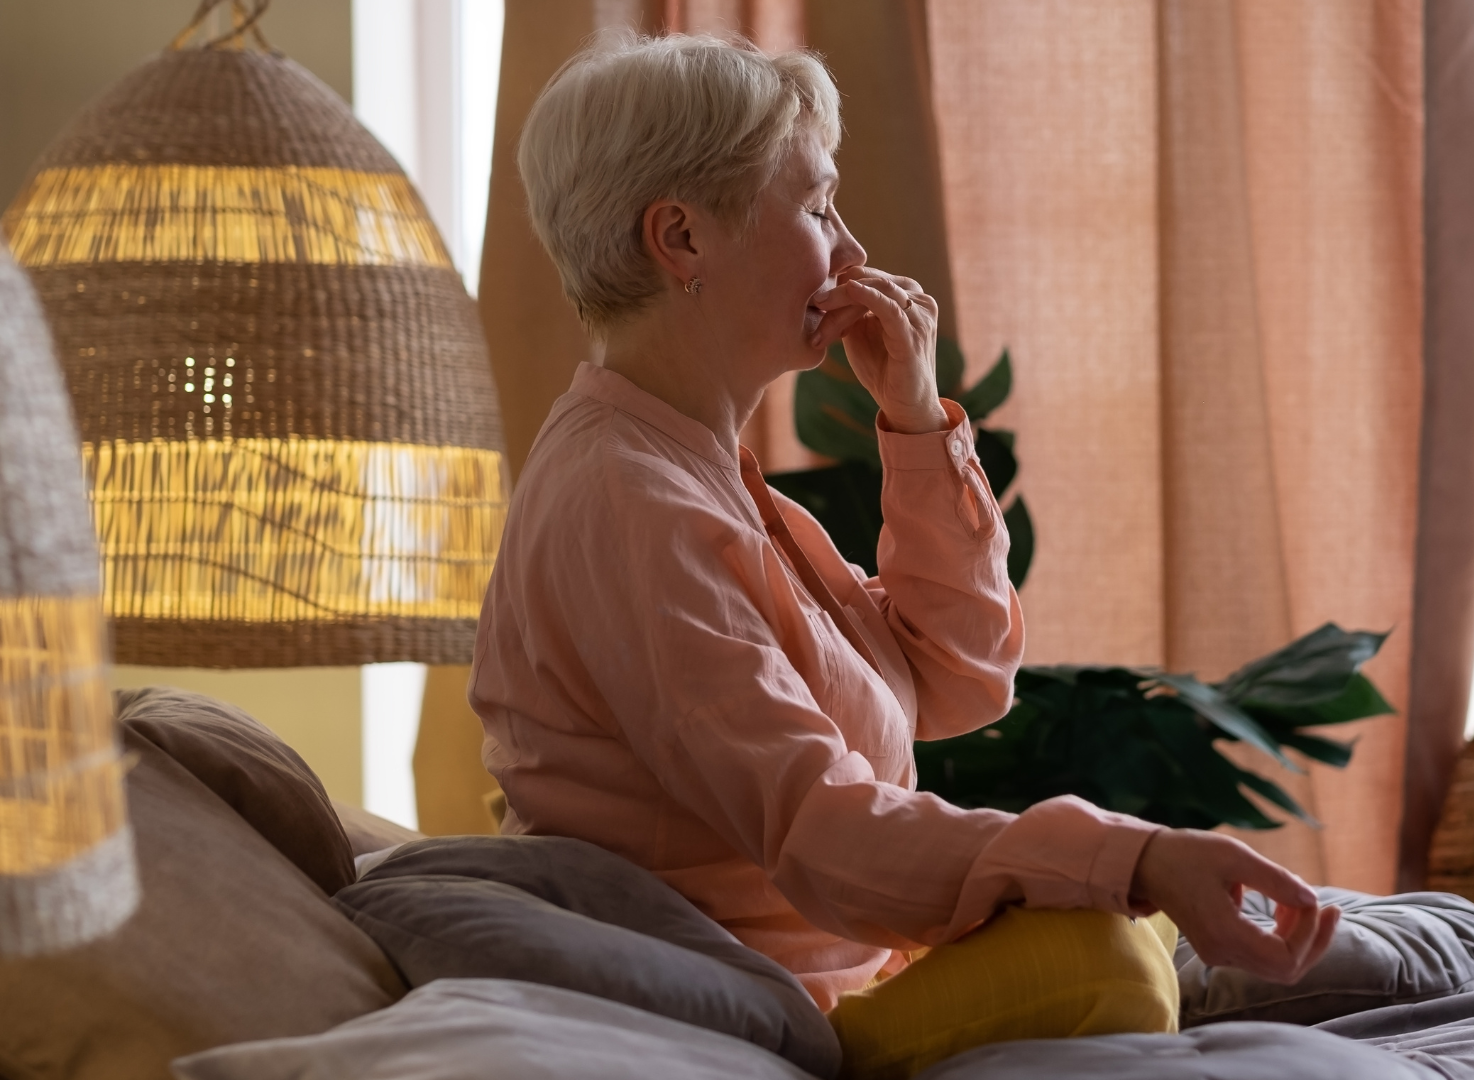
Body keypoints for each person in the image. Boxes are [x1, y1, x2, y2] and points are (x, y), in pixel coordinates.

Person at [471, 31, 1340, 1078]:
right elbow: (821, 828)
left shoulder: (699, 471)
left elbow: (960, 678)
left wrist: (918, 424)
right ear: (681, 239)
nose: (847, 249)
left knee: (1148, 931)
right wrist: (1139, 853)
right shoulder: (628, 500)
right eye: (816, 206)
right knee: (1111, 960)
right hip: (761, 1008)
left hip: (860, 970)